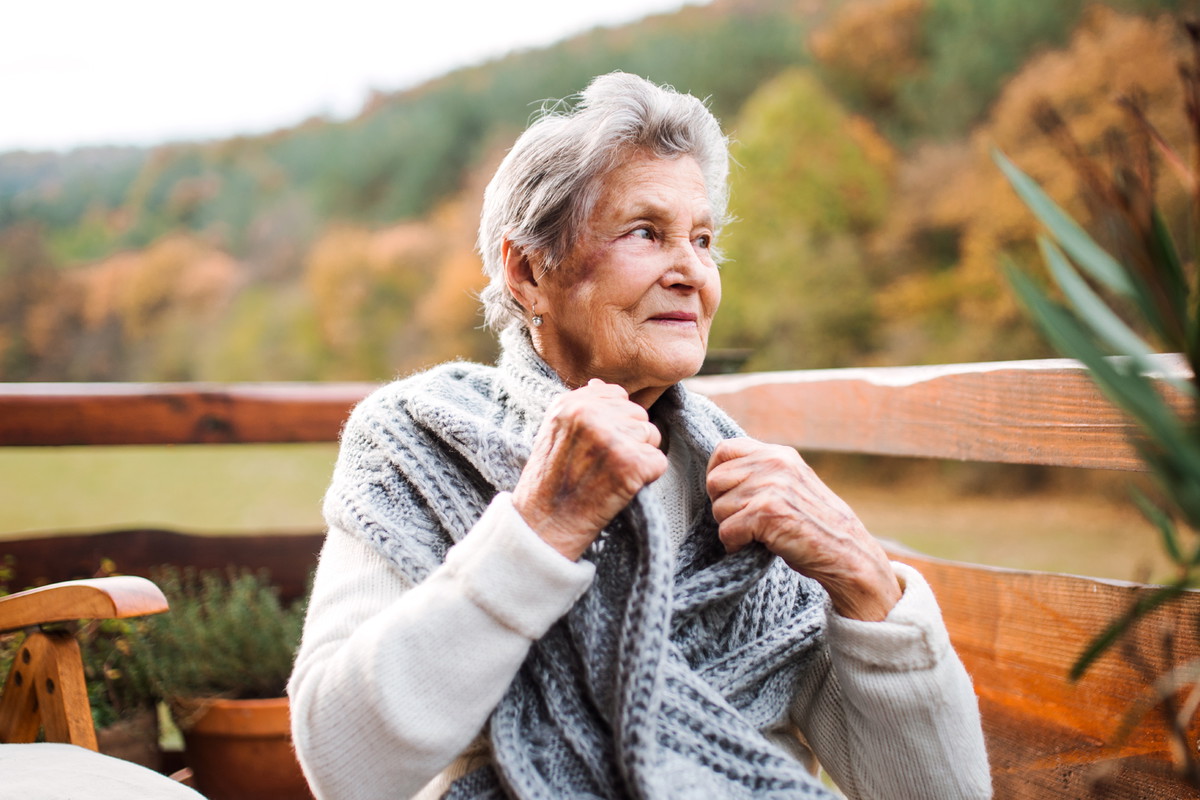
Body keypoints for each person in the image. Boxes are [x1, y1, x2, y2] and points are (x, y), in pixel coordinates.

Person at [288, 72, 992, 800]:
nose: (691, 271)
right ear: (528, 270)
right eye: (646, 233)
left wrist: (865, 579)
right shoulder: (417, 442)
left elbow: (944, 794)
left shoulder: (750, 496)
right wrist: (540, 527)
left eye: (703, 240)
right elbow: (345, 766)